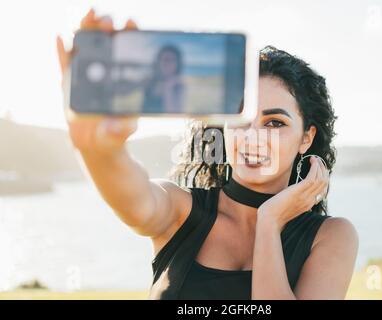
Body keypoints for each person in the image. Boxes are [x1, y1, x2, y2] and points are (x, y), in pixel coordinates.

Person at [56, 8, 358, 300]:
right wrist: (100, 149)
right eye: (241, 119)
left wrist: (269, 222)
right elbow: (133, 199)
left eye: (275, 123)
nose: (253, 137)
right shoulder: (180, 210)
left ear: (307, 137)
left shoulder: (331, 236)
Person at [142, 44, 185, 113]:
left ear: (178, 64)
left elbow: (174, 115)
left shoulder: (179, 86)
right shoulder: (149, 81)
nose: (168, 63)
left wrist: (168, 88)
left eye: (172, 60)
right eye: (165, 59)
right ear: (158, 62)